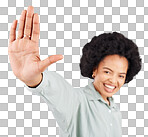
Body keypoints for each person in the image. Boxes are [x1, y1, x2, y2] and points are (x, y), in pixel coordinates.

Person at [8, 6, 142, 137]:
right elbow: (55, 90)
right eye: (107, 72)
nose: (113, 80)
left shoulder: (115, 110)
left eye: (121, 75)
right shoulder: (76, 102)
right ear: (94, 70)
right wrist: (34, 78)